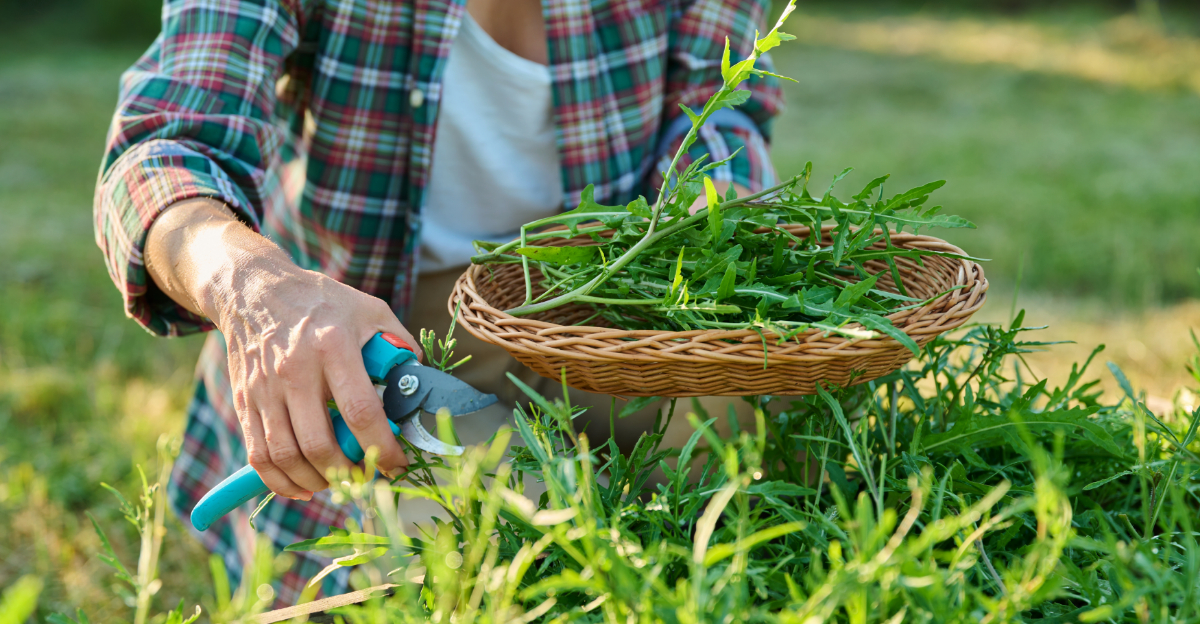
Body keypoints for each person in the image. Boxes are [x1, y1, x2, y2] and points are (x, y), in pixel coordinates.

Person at [94, 0, 782, 606]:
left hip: (601, 314)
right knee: (495, 571)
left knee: (757, 493)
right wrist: (254, 289)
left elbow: (722, 111)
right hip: (379, 335)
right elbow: (166, 148)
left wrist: (712, 203)